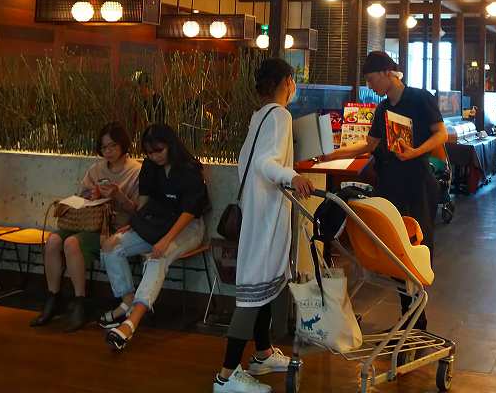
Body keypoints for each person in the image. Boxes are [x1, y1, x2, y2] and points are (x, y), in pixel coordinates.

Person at [319, 51, 447, 330]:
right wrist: (331, 154)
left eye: (371, 79)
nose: (370, 85)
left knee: (417, 245)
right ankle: (411, 316)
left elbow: (441, 133)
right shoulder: (382, 108)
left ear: (388, 72)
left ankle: (416, 318)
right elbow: (370, 144)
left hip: (417, 182)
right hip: (390, 182)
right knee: (392, 249)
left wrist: (415, 151)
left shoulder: (420, 98)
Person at [214, 58, 314, 393]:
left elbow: (248, 162)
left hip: (257, 213)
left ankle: (262, 354)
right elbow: (263, 162)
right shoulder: (281, 115)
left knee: (265, 286)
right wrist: (292, 176)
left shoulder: (259, 116)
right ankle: (225, 377)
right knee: (253, 292)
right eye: (293, 80)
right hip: (266, 218)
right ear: (287, 81)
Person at [99, 123, 209, 351]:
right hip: (156, 223)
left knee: (157, 255)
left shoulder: (189, 169)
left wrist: (166, 240)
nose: (154, 156)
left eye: (159, 150)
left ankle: (131, 323)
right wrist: (134, 224)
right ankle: (127, 301)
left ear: (170, 145)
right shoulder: (150, 166)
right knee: (111, 246)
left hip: (187, 226)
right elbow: (144, 201)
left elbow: (189, 211)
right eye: (149, 152)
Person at [31, 122, 141, 332]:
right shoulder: (96, 169)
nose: (108, 151)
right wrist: (92, 195)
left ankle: (80, 303)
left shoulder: (136, 171)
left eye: (113, 146)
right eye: (104, 147)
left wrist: (118, 195)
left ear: (123, 145)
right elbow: (82, 197)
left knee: (72, 243)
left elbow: (138, 211)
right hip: (88, 222)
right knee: (53, 240)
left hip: (114, 228)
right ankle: (53, 297)